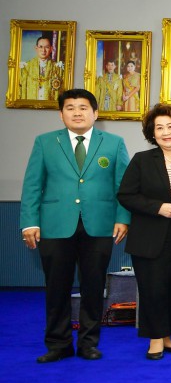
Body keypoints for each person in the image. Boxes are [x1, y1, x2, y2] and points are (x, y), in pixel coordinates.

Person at [20, 88, 130, 362]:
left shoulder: (114, 143)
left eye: (83, 108)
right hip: (54, 225)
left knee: (93, 286)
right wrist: (29, 222)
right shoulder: (45, 142)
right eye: (70, 108)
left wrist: (122, 218)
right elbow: (33, 185)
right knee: (56, 287)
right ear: (61, 114)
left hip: (100, 225)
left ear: (95, 113)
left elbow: (123, 186)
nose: (77, 113)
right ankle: (58, 344)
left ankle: (88, 343)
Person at [117, 104, 171, 359]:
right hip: (149, 236)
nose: (165, 132)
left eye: (170, 127)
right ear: (152, 133)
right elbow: (126, 195)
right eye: (159, 128)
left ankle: (167, 336)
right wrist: (158, 207)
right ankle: (155, 338)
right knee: (153, 289)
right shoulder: (142, 160)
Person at [19, 34, 64, 101]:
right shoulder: (26, 67)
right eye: (41, 47)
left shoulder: (57, 68)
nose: (43, 50)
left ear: (51, 49)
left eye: (47, 47)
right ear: (36, 48)